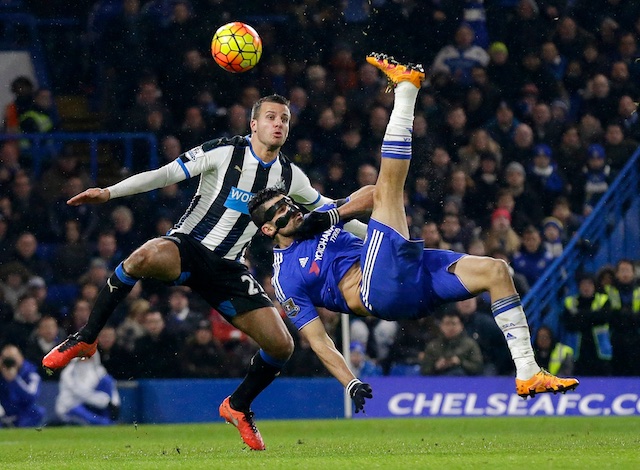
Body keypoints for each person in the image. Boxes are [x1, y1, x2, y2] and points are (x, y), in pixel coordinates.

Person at [248, 54, 579, 413]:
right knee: (392, 188)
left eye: (289, 204)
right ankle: (406, 89)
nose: (291, 210)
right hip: (377, 291)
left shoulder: (317, 219)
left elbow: (373, 192)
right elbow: (318, 340)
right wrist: (351, 380)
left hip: (412, 283)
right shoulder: (284, 277)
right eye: (280, 211)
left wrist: (331, 216)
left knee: (496, 271)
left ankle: (528, 372)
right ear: (268, 229)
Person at [42, 93, 366, 451]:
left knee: (281, 345)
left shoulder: (289, 176)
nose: (278, 124)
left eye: (285, 119)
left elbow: (335, 212)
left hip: (229, 269)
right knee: (142, 257)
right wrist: (108, 192)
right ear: (254, 124)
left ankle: (238, 406)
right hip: (188, 247)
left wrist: (383, 237)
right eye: (271, 117)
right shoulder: (224, 151)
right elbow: (165, 174)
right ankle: (87, 337)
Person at [55, 352, 120, 426]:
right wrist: (105, 401)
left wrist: (114, 402)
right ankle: (107, 423)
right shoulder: (69, 374)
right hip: (71, 406)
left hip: (92, 405)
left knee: (106, 380)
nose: (85, 359)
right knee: (93, 420)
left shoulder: (99, 371)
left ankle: (108, 419)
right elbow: (81, 393)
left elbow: (110, 386)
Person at [420, 310, 484, 376]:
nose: (450, 327)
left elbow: (478, 368)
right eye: (447, 324)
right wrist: (436, 366)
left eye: (454, 324)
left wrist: (460, 362)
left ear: (461, 326)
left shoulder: (470, 344)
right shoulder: (433, 346)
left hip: (464, 381)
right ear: (441, 326)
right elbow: (424, 371)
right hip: (439, 381)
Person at [0, 344, 45, 428]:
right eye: (6, 358)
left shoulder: (30, 373)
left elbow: (31, 396)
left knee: (37, 412)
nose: (10, 361)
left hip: (23, 411)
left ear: (20, 358)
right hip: (3, 410)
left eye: (13, 357)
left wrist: (15, 380)